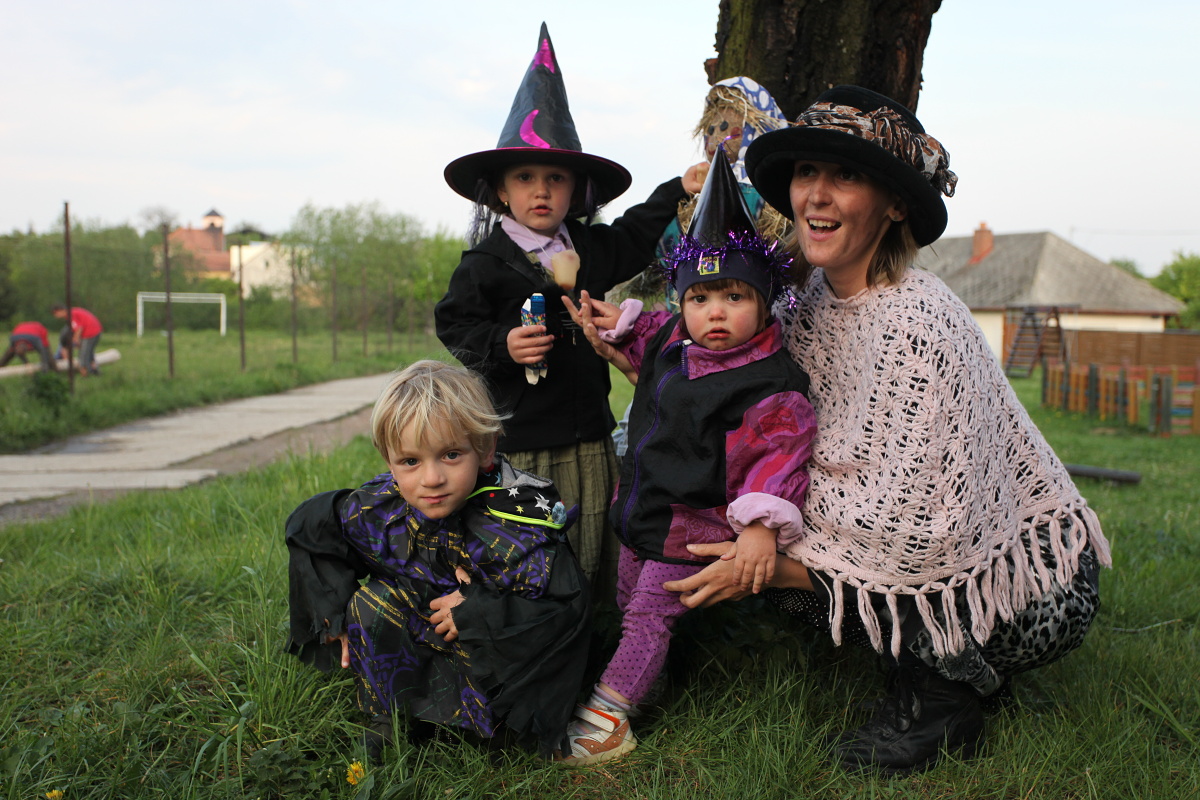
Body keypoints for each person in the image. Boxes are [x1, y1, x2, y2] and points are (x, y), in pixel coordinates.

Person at [664, 85, 1112, 775]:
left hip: (1027, 581)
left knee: (784, 550)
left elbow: (930, 529)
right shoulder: (807, 304)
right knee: (759, 520)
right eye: (806, 173)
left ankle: (949, 693)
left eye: (845, 175)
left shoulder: (922, 321)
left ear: (894, 204)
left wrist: (771, 566)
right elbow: (759, 419)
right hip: (917, 550)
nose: (816, 195)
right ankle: (923, 658)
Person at [555, 145, 816, 766]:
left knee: (649, 615)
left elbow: (777, 459)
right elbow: (649, 337)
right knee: (628, 601)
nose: (715, 312)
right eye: (699, 298)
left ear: (764, 301)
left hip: (695, 528)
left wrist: (760, 527)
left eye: (734, 297)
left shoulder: (769, 385)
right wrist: (617, 324)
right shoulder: (676, 338)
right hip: (643, 507)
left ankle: (608, 719)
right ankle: (645, 681)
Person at [435, 23, 699, 593]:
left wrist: (678, 188)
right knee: (534, 544)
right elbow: (454, 323)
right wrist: (502, 345)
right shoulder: (486, 262)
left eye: (555, 178)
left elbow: (634, 234)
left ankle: (595, 620)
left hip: (589, 433)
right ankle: (536, 618)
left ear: (575, 190)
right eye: (525, 177)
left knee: (592, 532)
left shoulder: (587, 247)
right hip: (522, 437)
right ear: (501, 191)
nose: (541, 190)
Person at [284, 360, 591, 758]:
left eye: (450, 455)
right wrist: (333, 613)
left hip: (490, 665)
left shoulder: (516, 523)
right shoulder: (386, 506)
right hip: (423, 632)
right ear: (388, 460)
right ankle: (390, 718)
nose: (431, 479)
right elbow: (314, 527)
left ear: (485, 448)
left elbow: (564, 613)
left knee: (486, 638)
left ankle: (495, 730)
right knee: (370, 602)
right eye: (410, 461)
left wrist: (478, 610)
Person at [51, 304, 103, 375]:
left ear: (59, 311)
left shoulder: (70, 314)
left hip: (90, 333)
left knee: (83, 356)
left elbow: (78, 328)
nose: (56, 317)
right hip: (96, 331)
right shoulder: (73, 312)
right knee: (89, 354)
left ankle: (86, 374)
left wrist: (76, 340)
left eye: (55, 314)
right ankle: (95, 371)